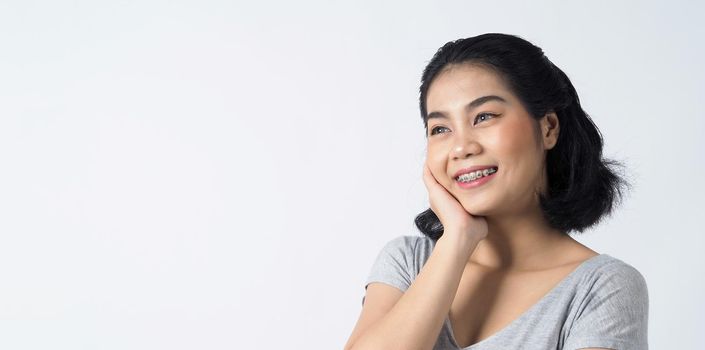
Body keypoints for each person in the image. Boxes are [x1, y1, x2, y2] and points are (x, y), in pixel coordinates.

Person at [344, 33, 649, 350]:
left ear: (548, 127)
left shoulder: (602, 287)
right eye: (440, 129)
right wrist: (458, 239)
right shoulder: (409, 262)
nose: (461, 147)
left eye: (484, 117)